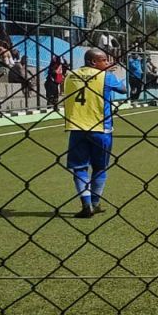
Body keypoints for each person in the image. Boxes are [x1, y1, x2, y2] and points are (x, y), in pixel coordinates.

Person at [62, 48, 127, 218]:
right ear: (93, 62)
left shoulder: (70, 75)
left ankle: (86, 205)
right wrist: (111, 73)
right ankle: (95, 202)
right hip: (100, 128)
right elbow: (123, 89)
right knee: (99, 167)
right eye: (104, 60)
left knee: (79, 167)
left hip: (77, 128)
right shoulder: (106, 76)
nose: (107, 63)